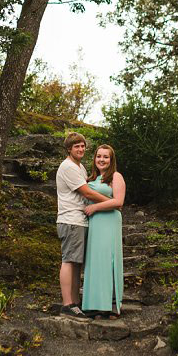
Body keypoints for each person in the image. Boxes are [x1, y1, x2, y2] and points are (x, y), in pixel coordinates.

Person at [55, 132, 112, 319]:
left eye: (82, 146)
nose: (80, 149)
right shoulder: (68, 167)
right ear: (69, 149)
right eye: (76, 146)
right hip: (70, 220)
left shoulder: (79, 168)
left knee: (76, 263)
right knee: (69, 260)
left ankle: (75, 303)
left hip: (80, 220)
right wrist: (112, 202)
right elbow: (87, 193)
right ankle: (67, 304)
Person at [81, 144, 126, 318]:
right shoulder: (90, 179)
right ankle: (93, 304)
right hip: (94, 223)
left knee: (108, 260)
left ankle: (109, 304)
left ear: (111, 160)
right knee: (94, 261)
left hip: (109, 221)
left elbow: (119, 202)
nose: (101, 159)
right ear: (94, 159)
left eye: (105, 157)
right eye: (99, 156)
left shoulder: (116, 176)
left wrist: (96, 208)